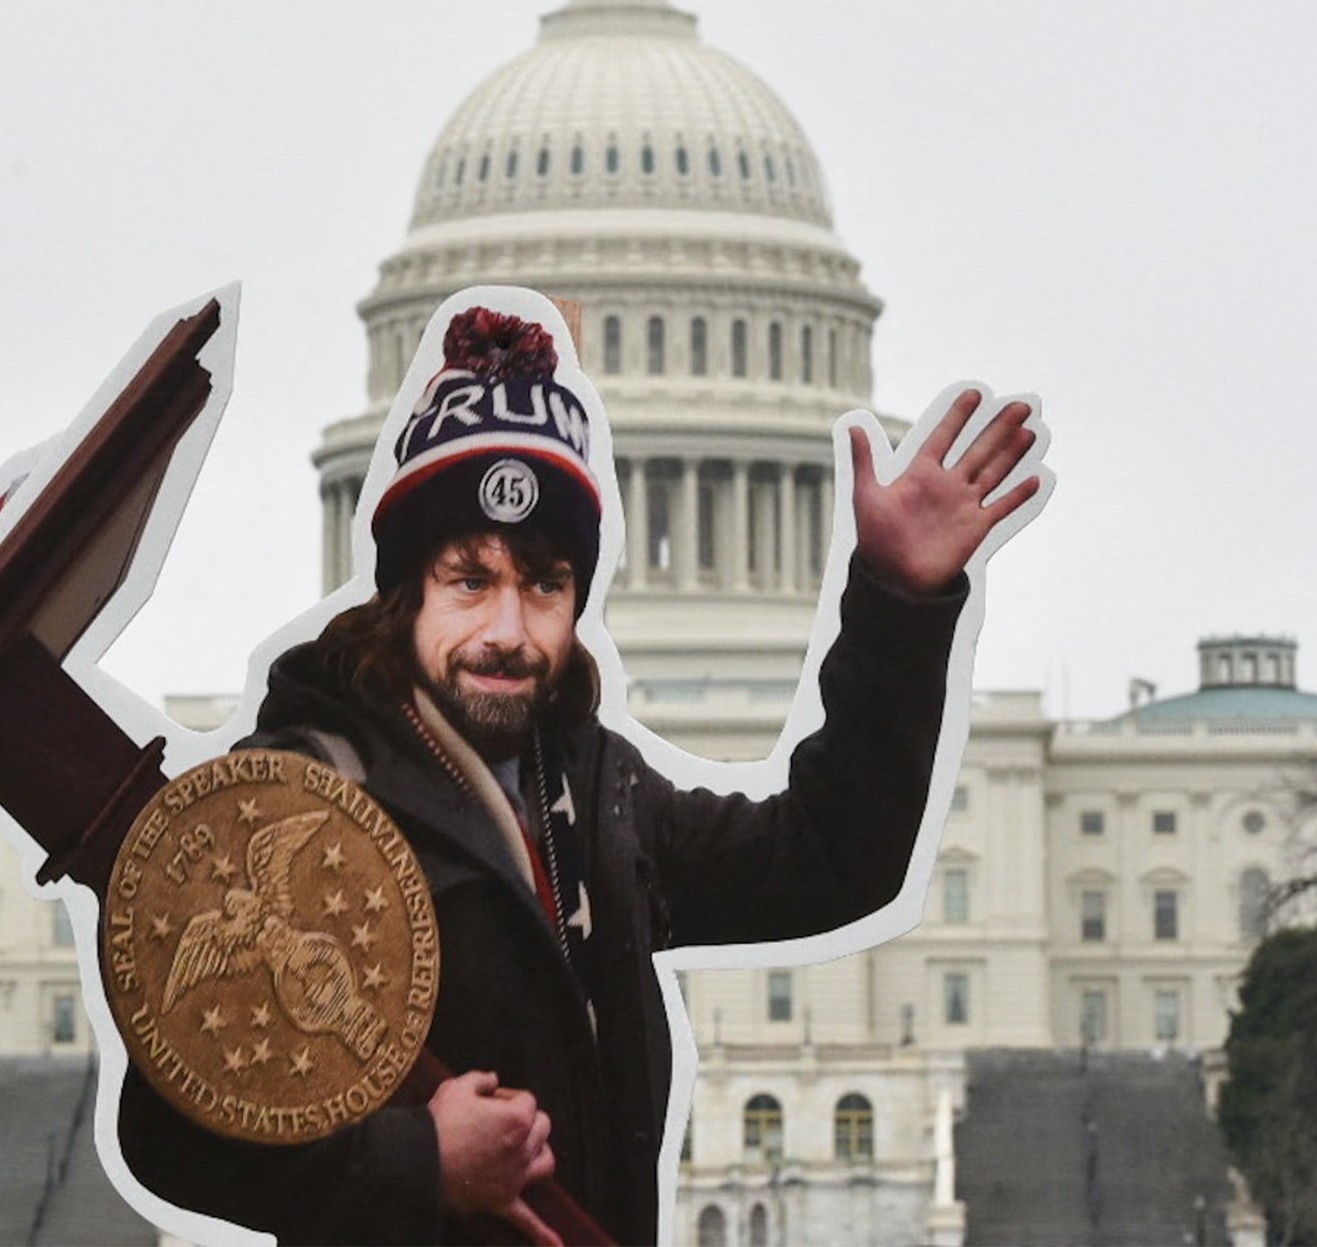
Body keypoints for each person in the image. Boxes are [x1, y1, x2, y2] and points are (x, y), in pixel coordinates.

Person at [117, 297, 1043, 1244]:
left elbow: (829, 862)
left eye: (545, 584)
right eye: (471, 580)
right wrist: (420, 1163)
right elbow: (166, 1133)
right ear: (406, 591)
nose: (509, 630)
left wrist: (898, 599)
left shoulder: (596, 789)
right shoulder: (299, 795)